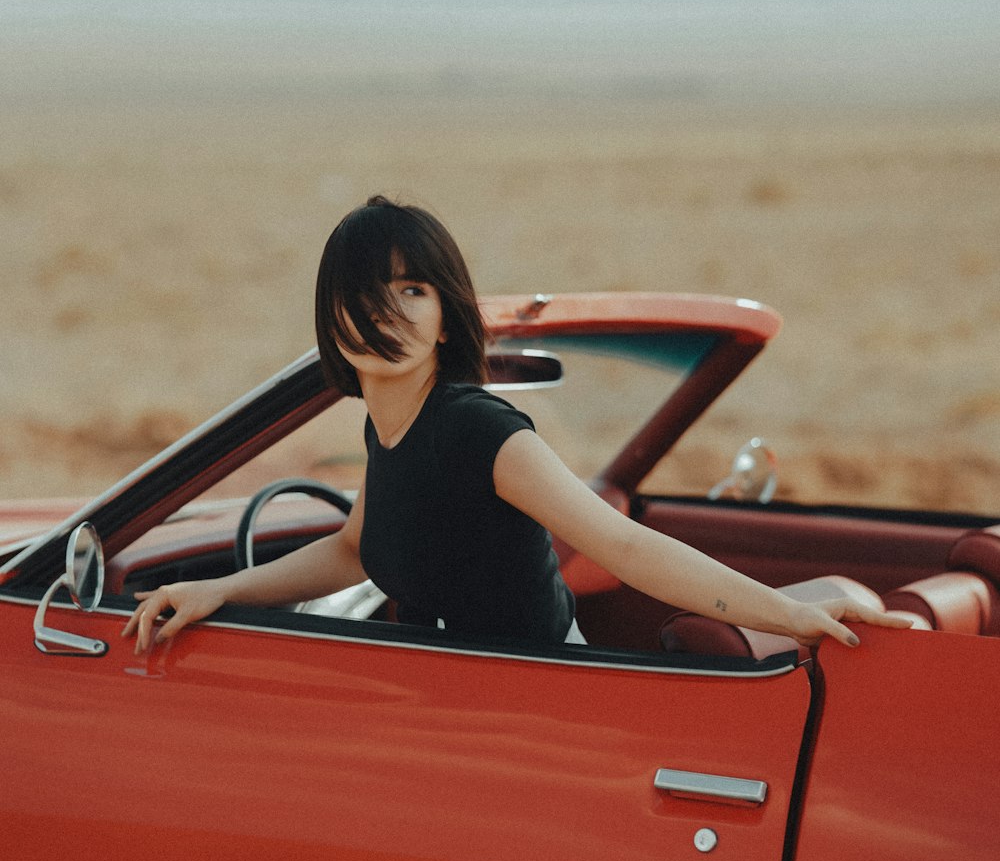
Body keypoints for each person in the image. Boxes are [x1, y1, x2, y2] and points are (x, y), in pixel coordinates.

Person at [124, 195, 908, 654]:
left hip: (541, 705)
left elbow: (626, 547)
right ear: (331, 317)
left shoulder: (480, 432)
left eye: (412, 292)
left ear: (445, 315)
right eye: (363, 294)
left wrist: (790, 614)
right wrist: (217, 590)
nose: (385, 314)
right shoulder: (387, 429)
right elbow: (351, 550)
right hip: (456, 697)